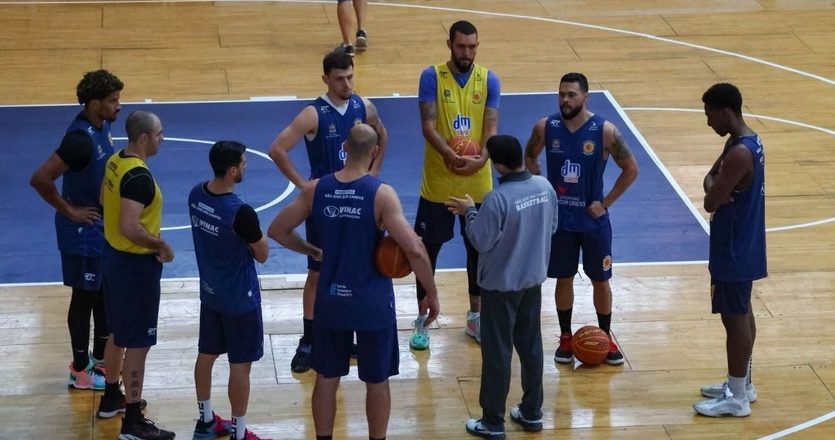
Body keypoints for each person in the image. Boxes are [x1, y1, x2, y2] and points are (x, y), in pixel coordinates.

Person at [268, 124, 440, 440]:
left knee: (326, 378)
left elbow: (277, 230)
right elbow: (414, 249)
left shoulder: (315, 189)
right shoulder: (381, 194)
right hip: (371, 303)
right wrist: (430, 292)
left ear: (344, 147)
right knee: (377, 381)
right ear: (375, 152)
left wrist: (311, 250)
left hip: (331, 301)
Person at [268, 50, 387, 373]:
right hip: (327, 205)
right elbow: (277, 149)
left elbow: (382, 135)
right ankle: (309, 339)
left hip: (360, 202)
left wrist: (373, 173)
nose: (346, 83)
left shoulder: (364, 106)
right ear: (326, 79)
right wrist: (302, 186)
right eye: (339, 78)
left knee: (358, 267)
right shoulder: (313, 114)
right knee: (319, 270)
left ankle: (347, 334)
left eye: (350, 76)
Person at [446, 135, 558, 440]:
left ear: (496, 165)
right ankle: (532, 413)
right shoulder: (544, 187)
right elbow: (552, 227)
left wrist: (470, 211)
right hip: (532, 283)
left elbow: (480, 240)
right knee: (531, 347)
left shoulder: (497, 199)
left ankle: (493, 421)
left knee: (498, 353)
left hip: (500, 288)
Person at [524, 72, 638, 366]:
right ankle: (565, 336)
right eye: (561, 94)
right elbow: (530, 157)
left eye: (572, 95)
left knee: (601, 280)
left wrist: (606, 203)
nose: (565, 99)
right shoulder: (546, 127)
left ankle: (606, 335)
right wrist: (541, 189)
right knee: (564, 278)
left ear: (585, 97)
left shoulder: (605, 131)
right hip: (560, 222)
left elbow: (631, 169)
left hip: (593, 223)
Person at [29, 69, 123, 392]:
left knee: (101, 294)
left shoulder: (103, 125)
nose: (118, 106)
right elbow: (40, 179)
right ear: (94, 103)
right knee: (84, 299)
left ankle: (98, 361)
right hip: (80, 233)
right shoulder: (79, 141)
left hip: (99, 228)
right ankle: (79, 370)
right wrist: (70, 210)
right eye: (113, 101)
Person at [411, 19, 500, 350]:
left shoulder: (489, 78)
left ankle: (475, 316)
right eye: (461, 46)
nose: (467, 52)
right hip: (438, 179)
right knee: (426, 251)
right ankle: (423, 317)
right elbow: (427, 125)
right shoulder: (432, 76)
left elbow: (491, 126)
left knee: (479, 249)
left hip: (477, 179)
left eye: (473, 46)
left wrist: (484, 157)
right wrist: (449, 153)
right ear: (450, 44)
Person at [100, 110, 175, 440]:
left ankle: (111, 396)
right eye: (159, 133)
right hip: (135, 268)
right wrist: (159, 245)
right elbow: (129, 227)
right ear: (144, 138)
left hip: (113, 258)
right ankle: (132, 421)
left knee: (117, 332)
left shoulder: (116, 160)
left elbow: (106, 202)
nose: (162, 138)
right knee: (139, 344)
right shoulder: (139, 178)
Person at [189, 141, 271, 439]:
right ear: (233, 170)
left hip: (210, 294)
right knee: (241, 365)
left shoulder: (196, 195)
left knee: (206, 354)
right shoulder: (241, 213)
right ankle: (239, 433)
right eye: (244, 163)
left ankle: (206, 420)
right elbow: (262, 253)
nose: (246, 166)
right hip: (240, 299)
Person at [693, 83, 766, 417]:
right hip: (741, 241)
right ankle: (743, 384)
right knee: (742, 312)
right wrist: (716, 186)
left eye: (710, 114)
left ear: (726, 112)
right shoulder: (741, 141)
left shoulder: (738, 153)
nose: (708, 121)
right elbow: (710, 179)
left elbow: (710, 199)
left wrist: (716, 188)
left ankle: (736, 397)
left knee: (734, 319)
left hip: (734, 246)